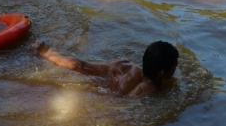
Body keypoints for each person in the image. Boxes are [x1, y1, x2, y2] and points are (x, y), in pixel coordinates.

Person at [32, 40, 179, 97]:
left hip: (103, 86)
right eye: (174, 66)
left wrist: (47, 53)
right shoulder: (151, 90)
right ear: (161, 73)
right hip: (105, 98)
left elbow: (82, 66)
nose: (176, 68)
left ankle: (45, 53)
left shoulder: (124, 65)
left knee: (85, 68)